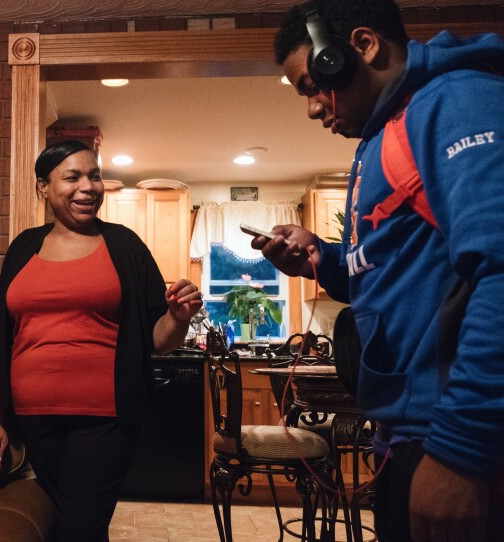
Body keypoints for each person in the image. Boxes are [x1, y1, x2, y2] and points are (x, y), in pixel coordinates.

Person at [260, 2, 504, 541]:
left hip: (453, 437)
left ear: (362, 46)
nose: (310, 109)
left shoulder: (455, 101)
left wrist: (462, 451)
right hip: (407, 434)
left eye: (310, 85)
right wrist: (322, 259)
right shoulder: (381, 135)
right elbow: (393, 271)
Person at [0, 140, 203, 541]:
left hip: (105, 419)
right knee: (51, 520)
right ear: (43, 187)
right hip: (30, 420)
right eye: (73, 177)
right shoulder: (23, 247)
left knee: (79, 527)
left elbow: (158, 341)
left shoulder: (124, 246)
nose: (88, 186)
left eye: (94, 175)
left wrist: (177, 318)